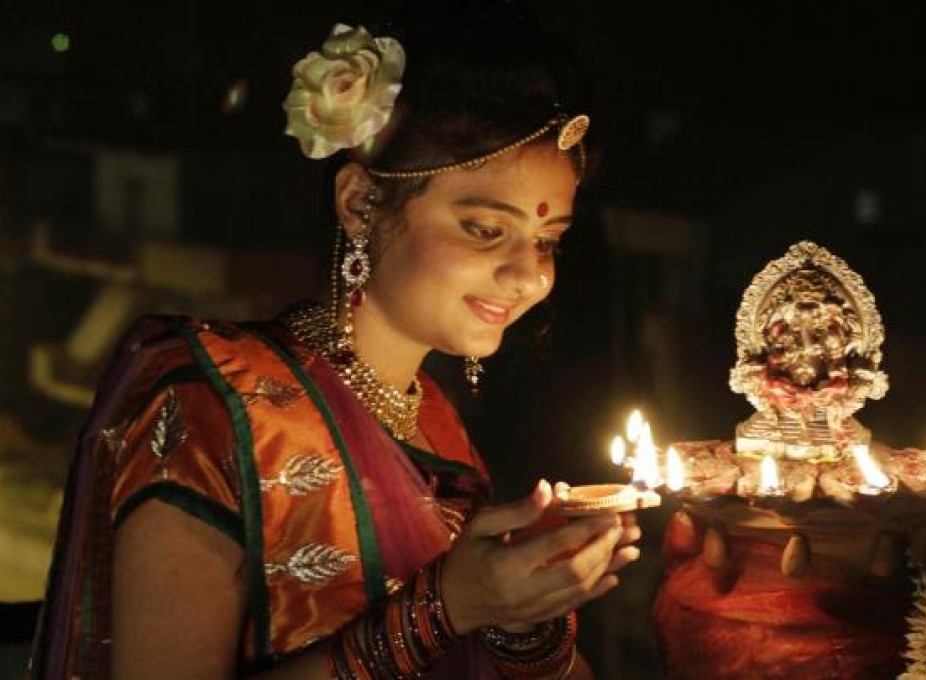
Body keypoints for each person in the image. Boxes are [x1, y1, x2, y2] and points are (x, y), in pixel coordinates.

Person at [30, 1, 642, 678]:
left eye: (547, 241)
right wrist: (444, 608)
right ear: (359, 203)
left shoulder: (434, 426)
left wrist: (527, 619)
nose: (529, 275)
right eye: (483, 229)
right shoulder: (219, 407)